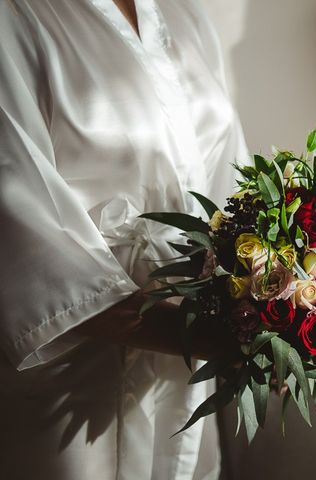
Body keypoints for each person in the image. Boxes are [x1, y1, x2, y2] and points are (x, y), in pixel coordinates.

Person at [0, 1, 248, 478]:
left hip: (193, 362)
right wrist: (205, 336)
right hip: (73, 375)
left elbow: (230, 185)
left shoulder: (184, 14)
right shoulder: (16, 14)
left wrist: (268, 301)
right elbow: (16, 221)